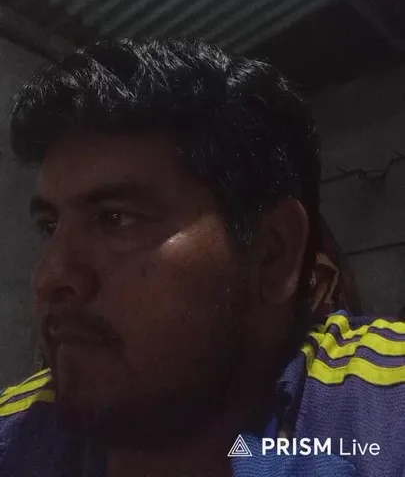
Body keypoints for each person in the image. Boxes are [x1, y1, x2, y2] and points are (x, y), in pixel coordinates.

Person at [0, 39, 404, 477]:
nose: (50, 277)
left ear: (272, 253)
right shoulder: (18, 434)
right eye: (50, 226)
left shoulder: (380, 415)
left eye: (115, 218)